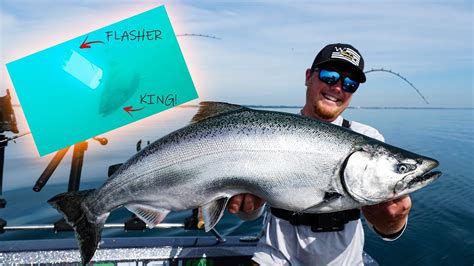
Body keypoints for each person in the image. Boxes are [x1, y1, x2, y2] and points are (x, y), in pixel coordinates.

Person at [227, 43, 412, 265]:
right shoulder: (271, 134)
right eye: (330, 75)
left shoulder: (367, 139)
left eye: (350, 84)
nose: (337, 88)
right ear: (308, 77)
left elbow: (386, 230)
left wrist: (394, 221)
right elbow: (250, 214)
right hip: (273, 258)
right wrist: (246, 208)